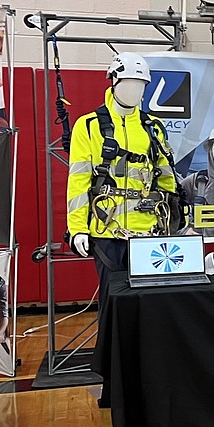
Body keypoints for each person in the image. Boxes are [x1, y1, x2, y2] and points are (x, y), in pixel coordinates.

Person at [67, 52, 181, 318]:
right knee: (114, 305)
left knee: (151, 303)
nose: (133, 91)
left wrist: (176, 221)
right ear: (113, 82)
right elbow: (79, 181)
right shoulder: (89, 126)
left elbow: (166, 178)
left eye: (140, 86)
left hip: (149, 231)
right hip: (108, 233)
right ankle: (113, 359)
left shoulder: (153, 127)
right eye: (127, 84)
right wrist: (77, 229)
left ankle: (148, 357)